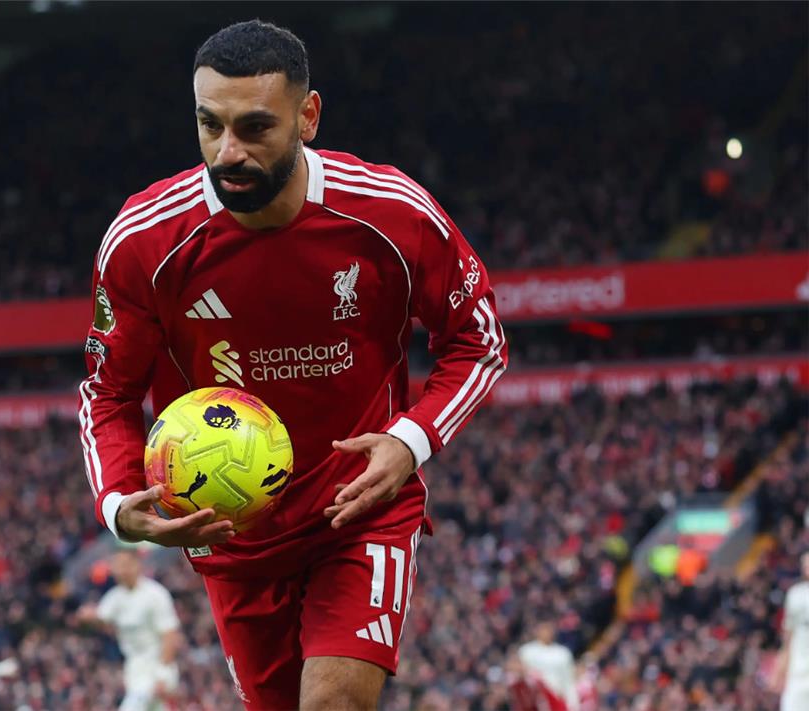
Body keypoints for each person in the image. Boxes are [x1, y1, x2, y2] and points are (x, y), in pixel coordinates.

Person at [78, 19, 508, 710]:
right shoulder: (144, 241)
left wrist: (410, 442)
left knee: (334, 701)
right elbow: (108, 394)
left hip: (358, 510)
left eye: (255, 128)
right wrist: (119, 507)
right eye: (210, 125)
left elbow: (478, 340)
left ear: (308, 116)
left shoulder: (390, 214)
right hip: (232, 533)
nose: (229, 151)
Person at [77, 548, 181, 711]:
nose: (121, 570)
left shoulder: (155, 594)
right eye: (117, 565)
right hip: (134, 668)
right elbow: (102, 619)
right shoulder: (114, 598)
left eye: (125, 564)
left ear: (137, 565)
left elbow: (170, 635)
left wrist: (163, 674)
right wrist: (88, 617)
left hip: (156, 667)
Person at [517, 622, 578, 711]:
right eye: (543, 629)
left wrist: (572, 703)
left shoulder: (563, 653)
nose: (546, 633)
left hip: (557, 698)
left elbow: (568, 681)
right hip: (535, 701)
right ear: (537, 631)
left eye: (548, 629)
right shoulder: (526, 652)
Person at [775, 552, 809, 711]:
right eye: (806, 565)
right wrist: (780, 669)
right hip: (798, 670)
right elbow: (788, 635)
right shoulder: (796, 594)